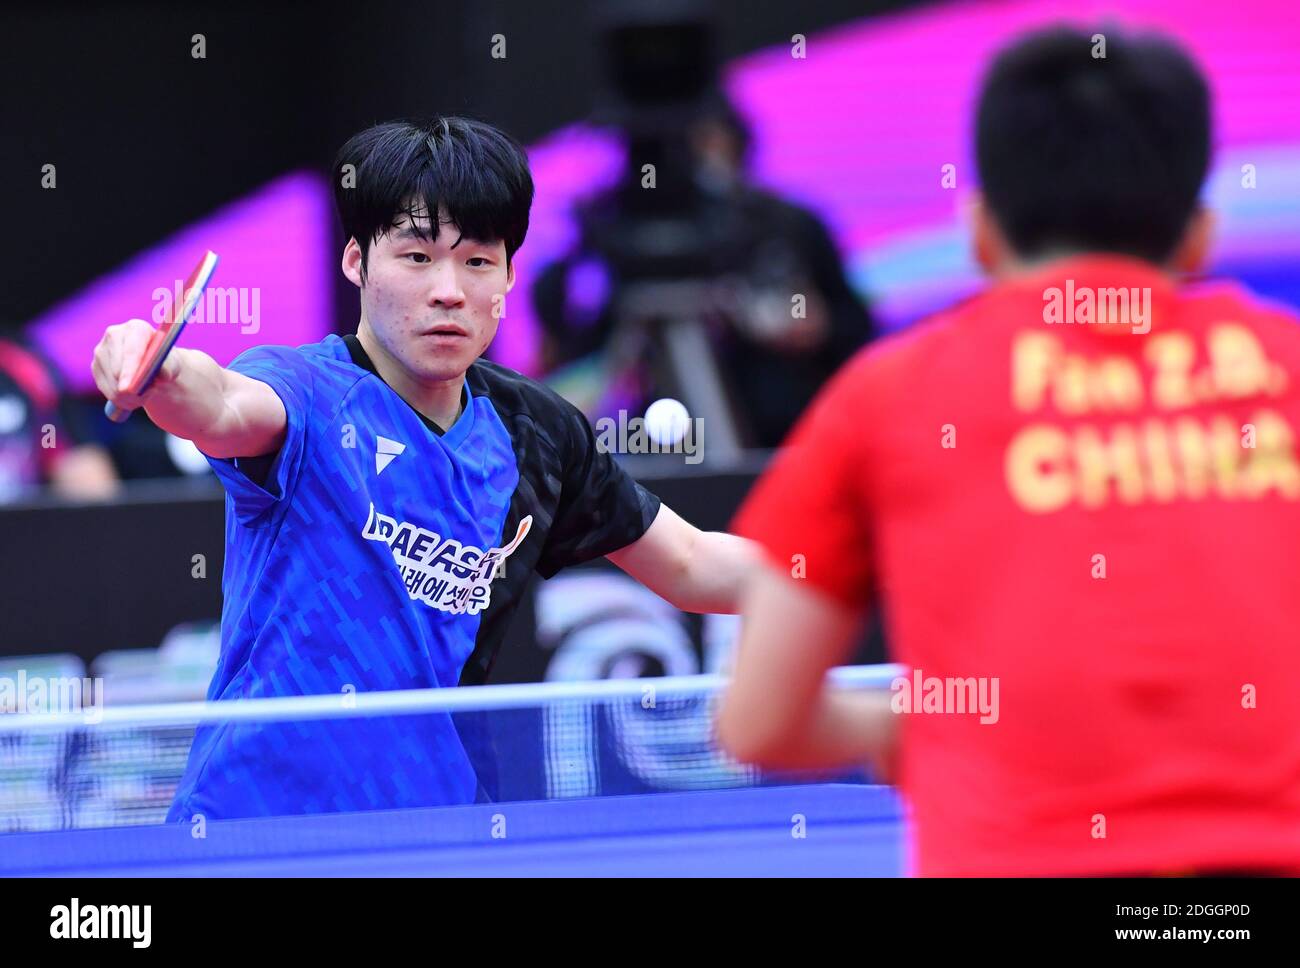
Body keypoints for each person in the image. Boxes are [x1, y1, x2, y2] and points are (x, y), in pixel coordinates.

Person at [718, 25, 1300, 876]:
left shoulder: (890, 394)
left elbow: (758, 721)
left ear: (981, 231)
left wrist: (915, 727)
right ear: (1201, 235)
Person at [91, 117, 756, 821]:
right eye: (416, 257)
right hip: (253, 830)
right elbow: (219, 402)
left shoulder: (538, 432)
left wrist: (835, 572)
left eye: (476, 261)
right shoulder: (306, 392)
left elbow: (689, 561)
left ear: (508, 275)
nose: (449, 291)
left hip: (436, 835)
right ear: (357, 262)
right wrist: (153, 368)